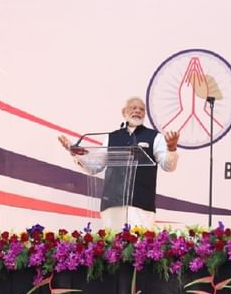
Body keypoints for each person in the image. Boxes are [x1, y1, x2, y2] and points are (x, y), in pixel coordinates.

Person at [58, 97, 179, 228]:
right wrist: (75, 152)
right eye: (133, 108)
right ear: (124, 112)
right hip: (112, 206)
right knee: (112, 241)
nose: (137, 111)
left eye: (141, 109)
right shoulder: (112, 137)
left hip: (141, 206)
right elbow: (95, 167)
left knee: (140, 241)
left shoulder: (155, 137)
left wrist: (171, 149)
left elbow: (169, 166)